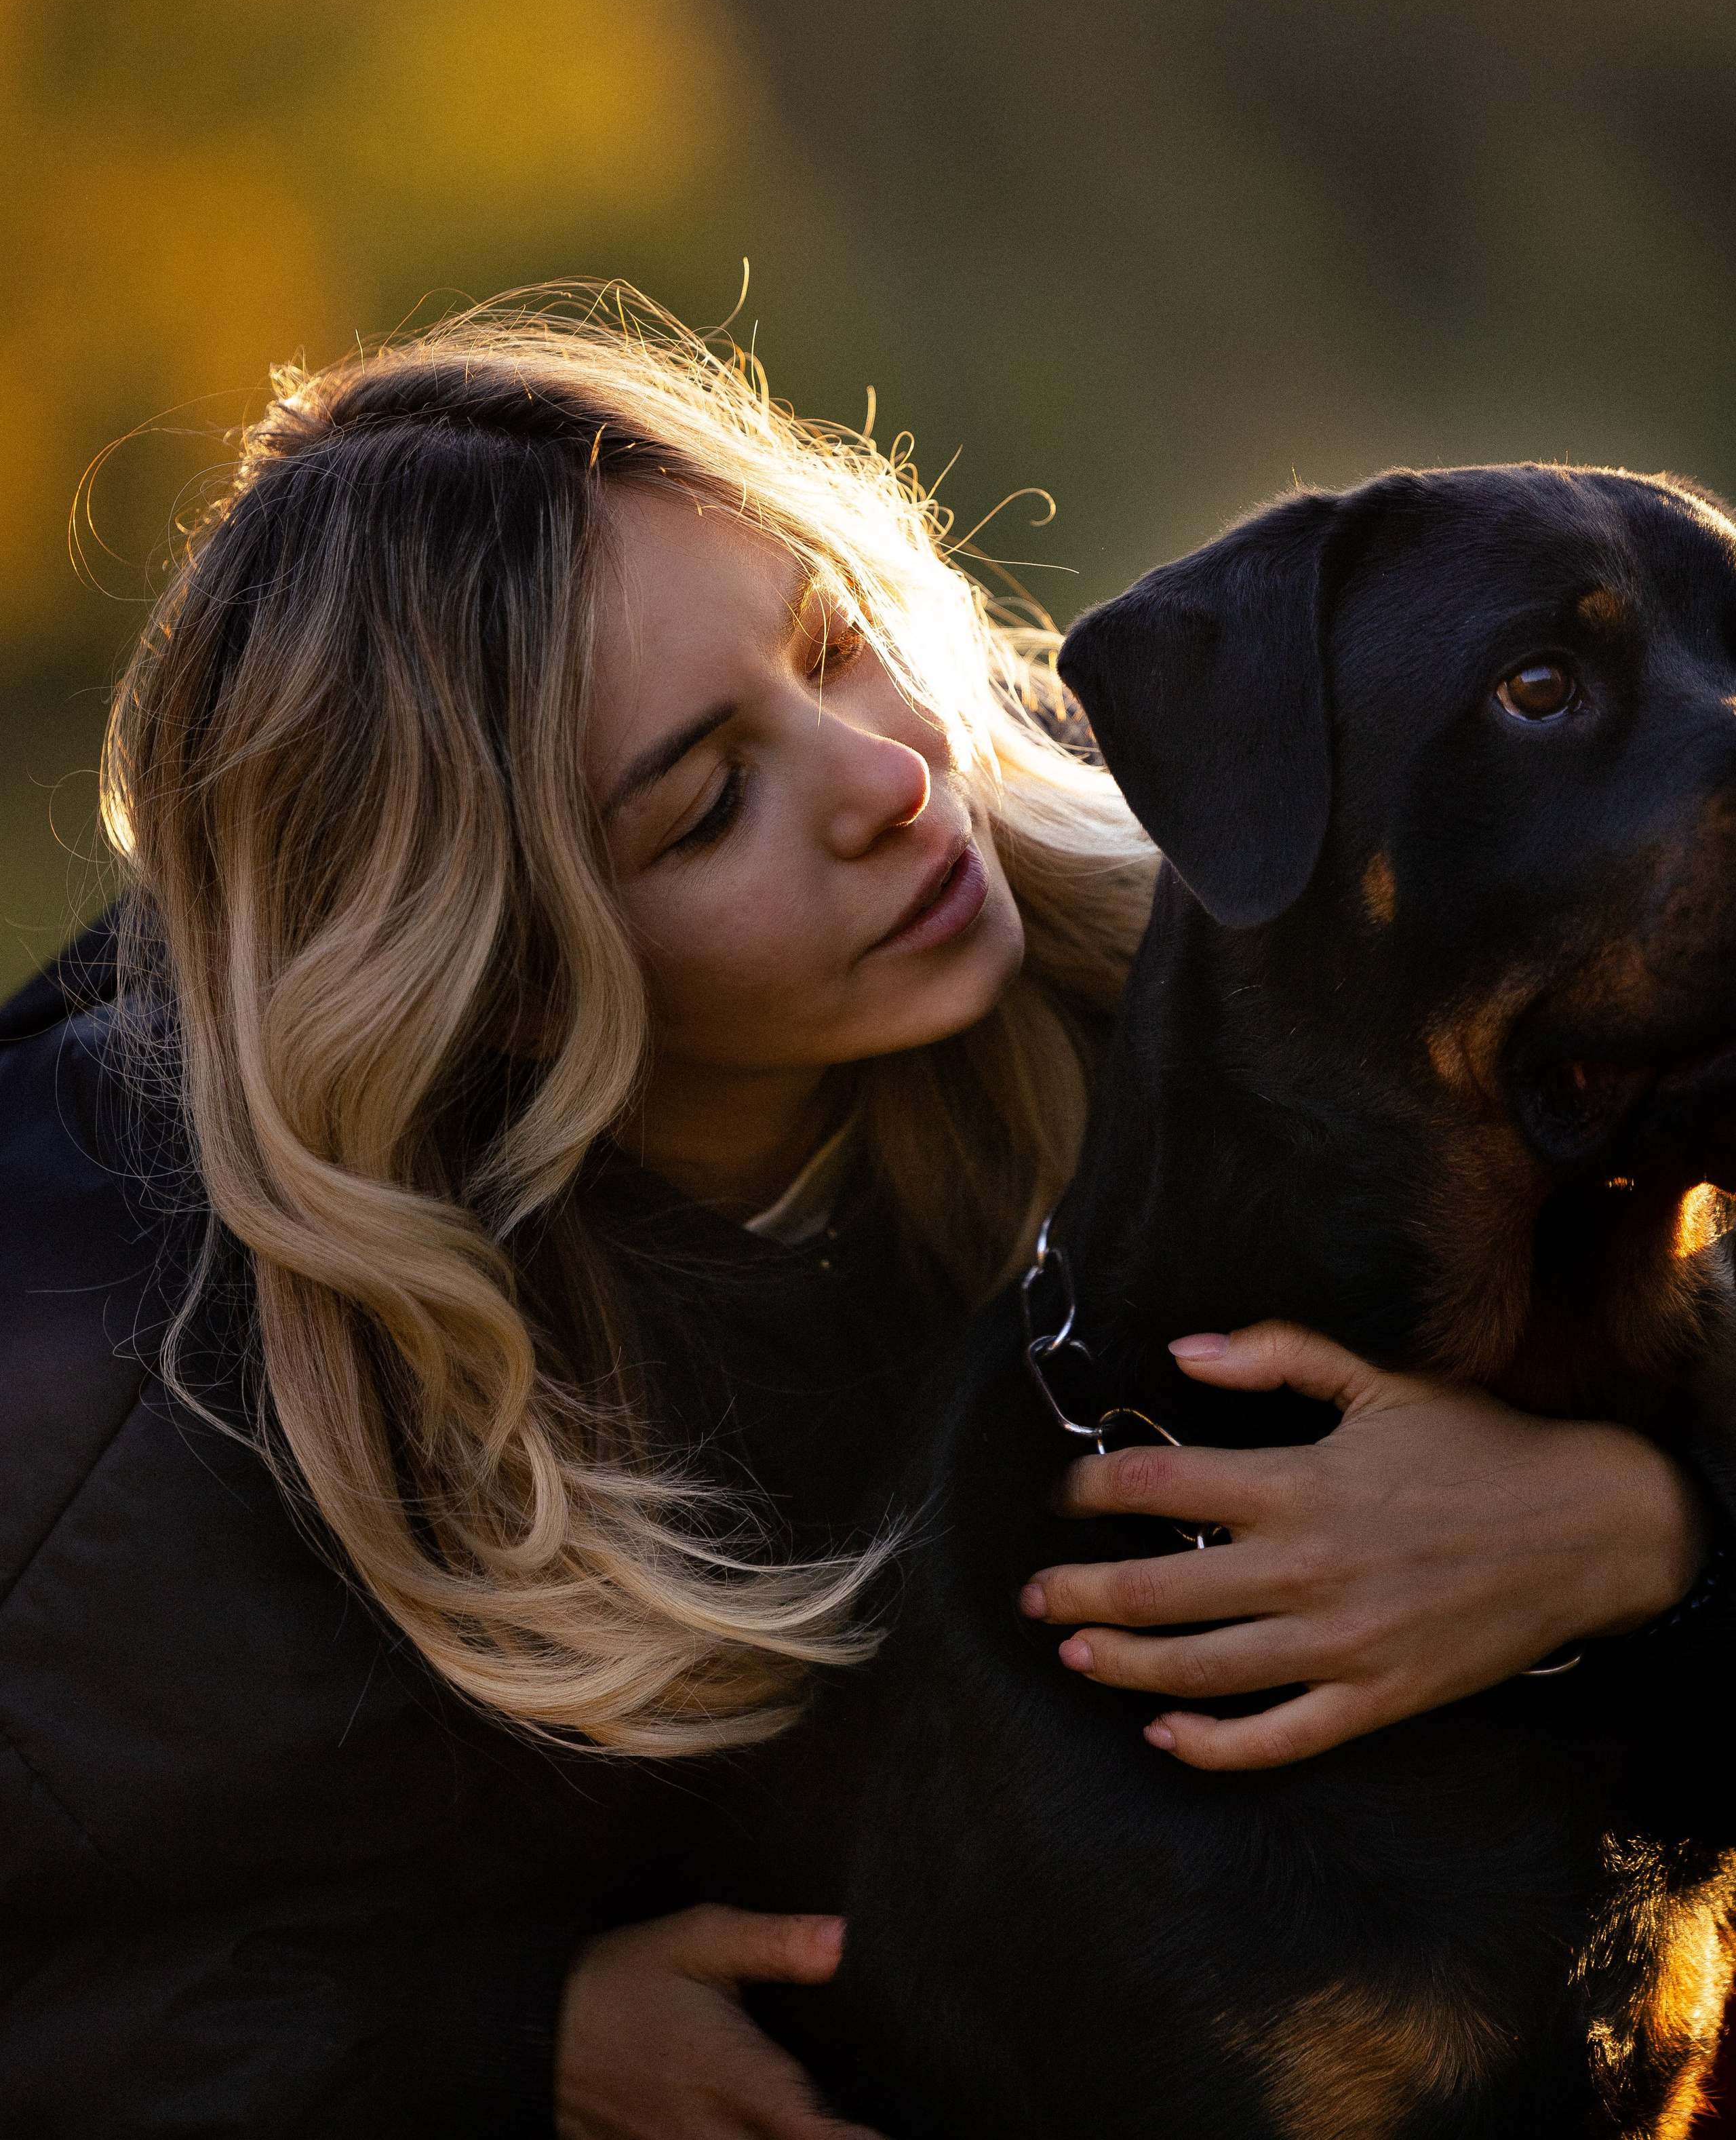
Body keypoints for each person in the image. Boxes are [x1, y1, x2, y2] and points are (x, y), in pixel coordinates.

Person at [0, 292, 1725, 2140]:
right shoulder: (123, 1397)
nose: (893, 781)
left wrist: (1643, 1516)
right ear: (493, 964)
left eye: (836, 647)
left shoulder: (1193, 906)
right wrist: (500, 2039)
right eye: (709, 804)